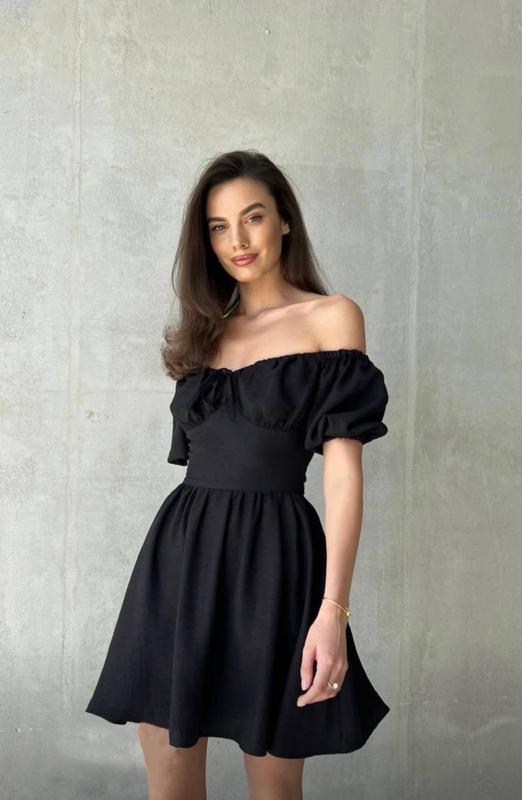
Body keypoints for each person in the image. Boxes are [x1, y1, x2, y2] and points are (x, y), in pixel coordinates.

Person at [85, 150, 390, 800]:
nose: (238, 240)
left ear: (284, 220)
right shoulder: (205, 334)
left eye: (252, 218)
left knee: (274, 786)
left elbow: (343, 478)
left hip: (275, 566)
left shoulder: (332, 318)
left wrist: (332, 611)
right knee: (169, 782)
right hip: (179, 563)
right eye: (219, 226)